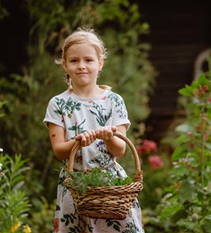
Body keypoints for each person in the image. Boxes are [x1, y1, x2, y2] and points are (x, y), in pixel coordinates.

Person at [43, 28, 144, 233]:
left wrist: (108, 139)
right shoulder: (58, 104)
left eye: (88, 60)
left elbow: (119, 150)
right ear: (65, 64)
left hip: (110, 186)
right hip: (75, 186)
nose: (81, 66)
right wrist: (79, 142)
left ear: (100, 63)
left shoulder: (114, 101)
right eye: (74, 61)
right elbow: (59, 151)